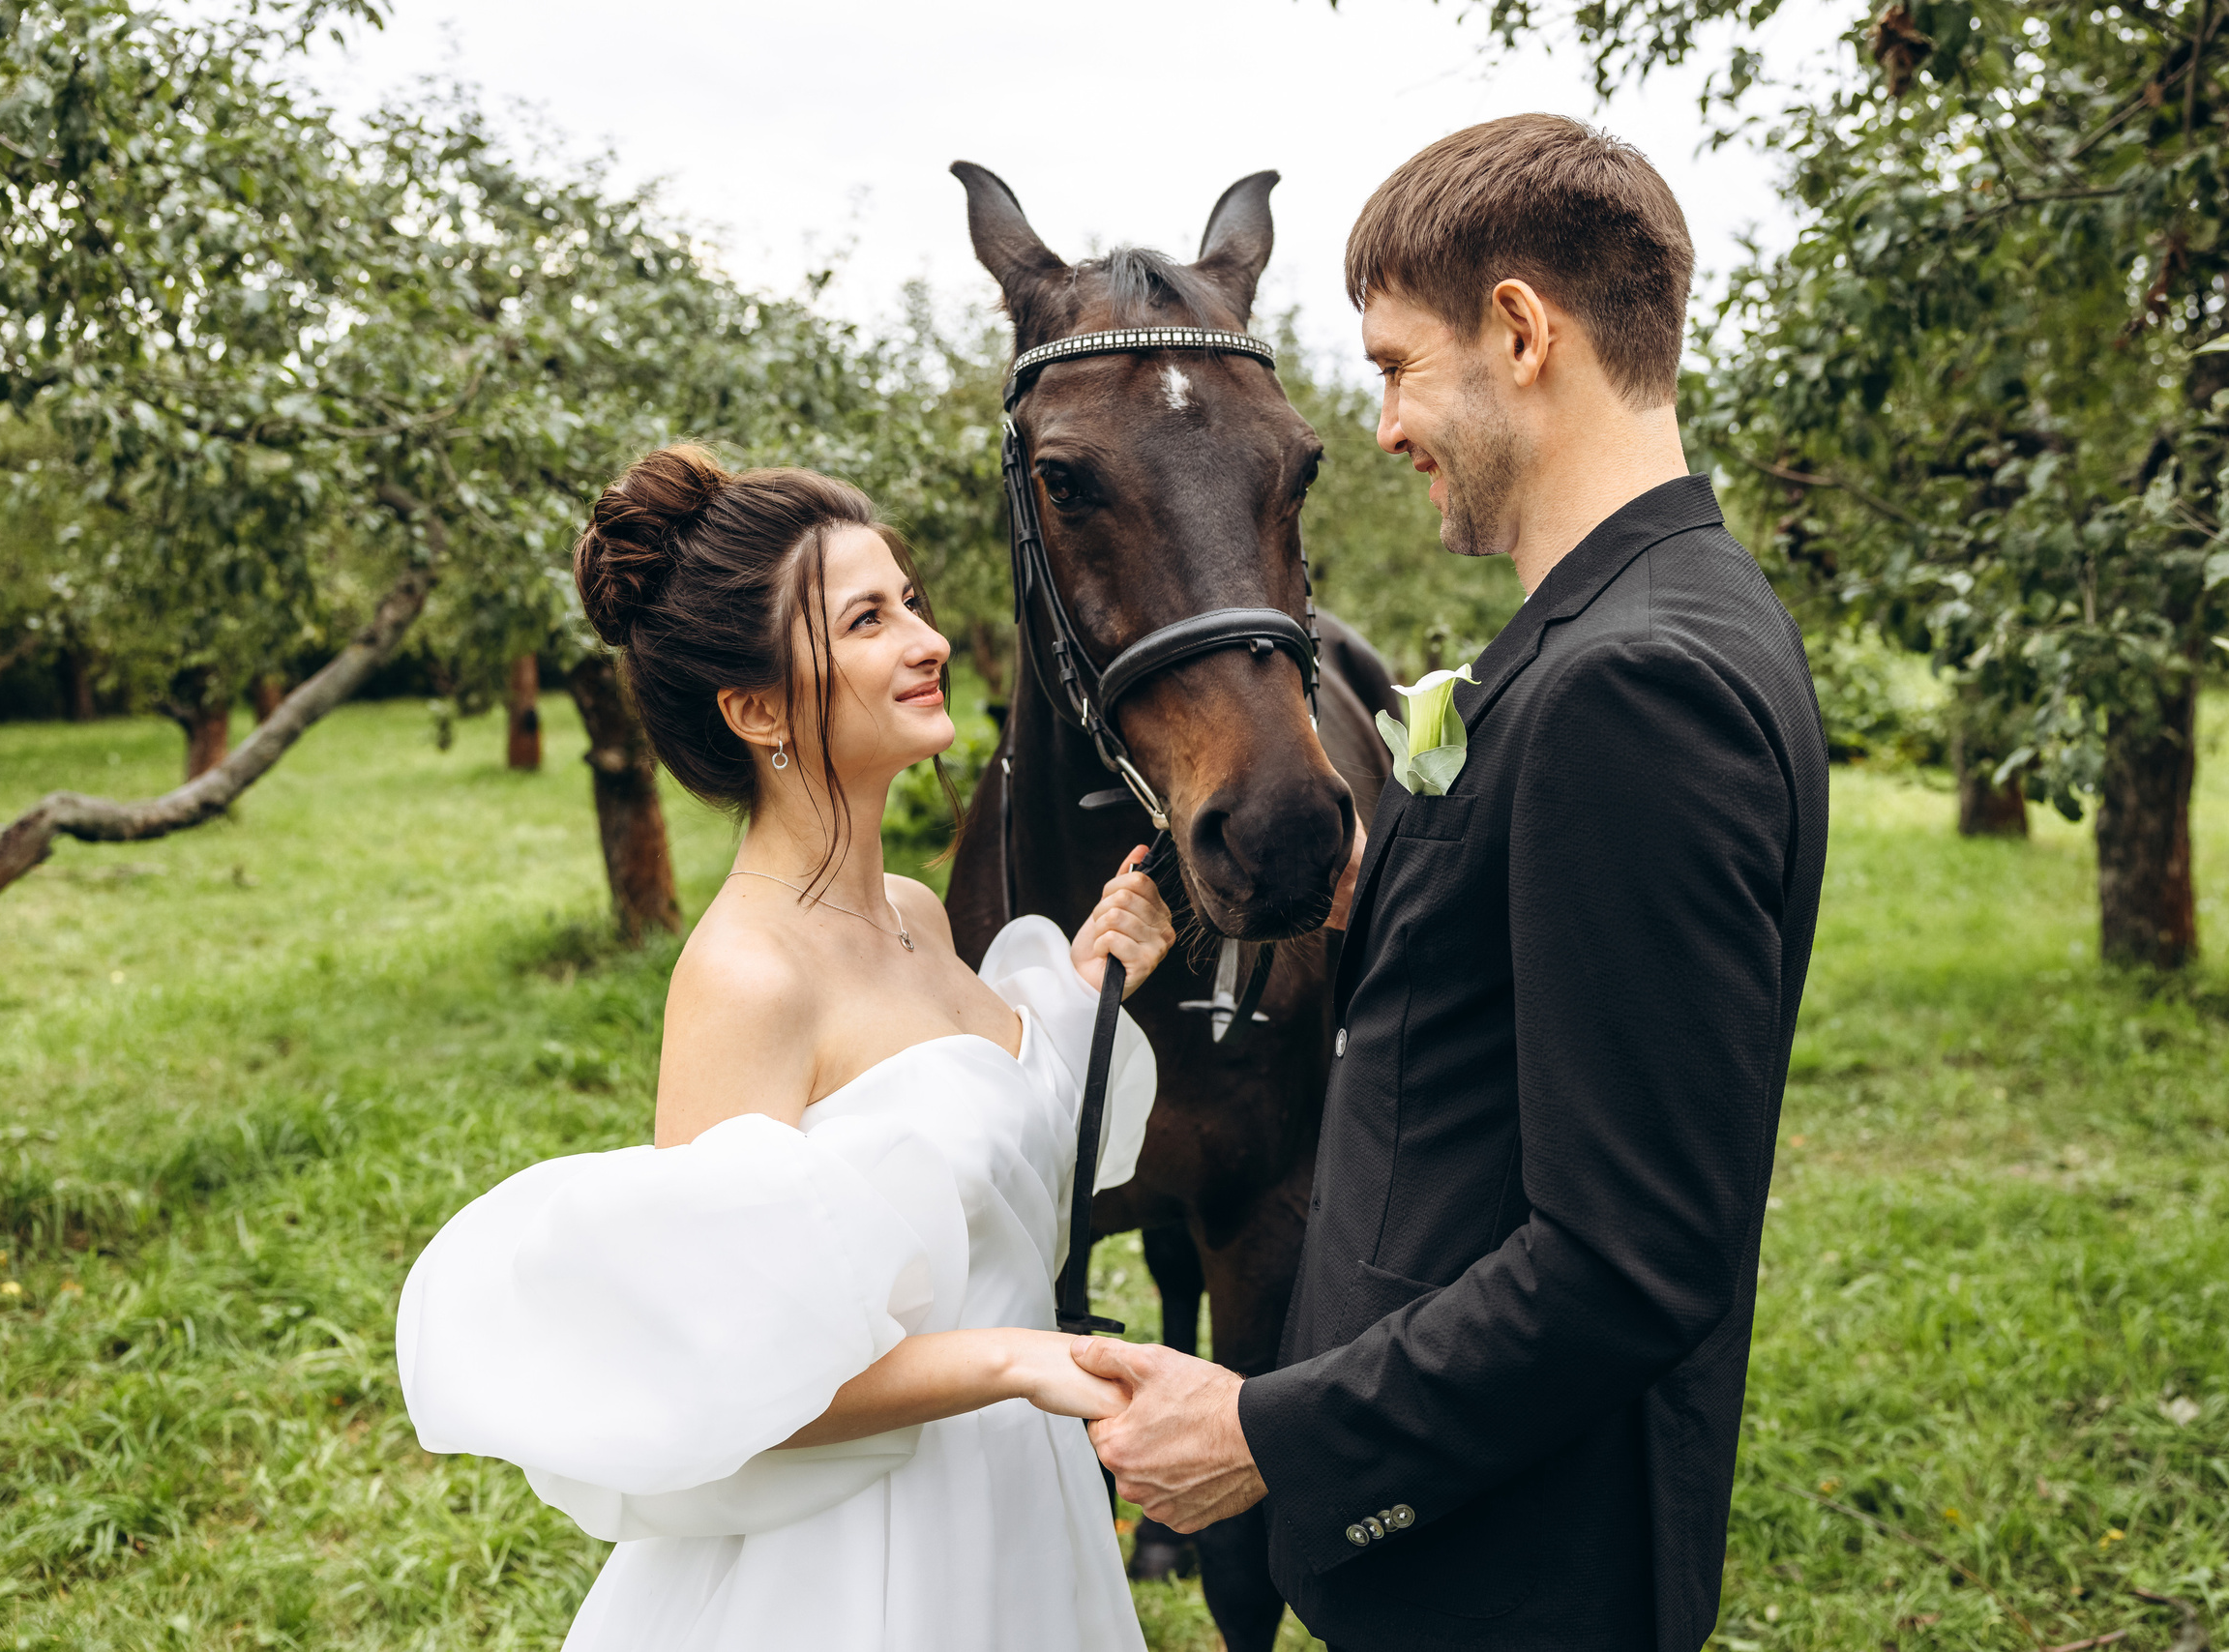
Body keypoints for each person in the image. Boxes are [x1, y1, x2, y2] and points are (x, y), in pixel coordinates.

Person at [1074, 114, 1831, 1652]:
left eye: (1398, 368)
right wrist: (1396, 899)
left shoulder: (1638, 687)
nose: (1386, 427)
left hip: (1510, 1579)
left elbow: (1628, 1262)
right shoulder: (1646, 613)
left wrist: (1269, 1435)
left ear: (1522, 332)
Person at [396, 447, 1174, 1652]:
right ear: (757, 709)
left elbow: (990, 1184)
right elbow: (730, 1374)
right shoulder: (742, 979)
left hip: (1020, 1492)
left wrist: (1078, 990)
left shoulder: (914, 912)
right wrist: (1013, 1359)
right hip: (865, 1551)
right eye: (869, 618)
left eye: (909, 600)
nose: (925, 639)